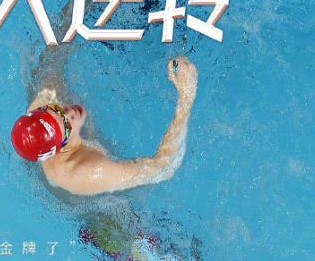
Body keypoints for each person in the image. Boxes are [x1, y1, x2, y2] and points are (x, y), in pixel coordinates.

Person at [11, 55, 197, 195]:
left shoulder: (42, 103)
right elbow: (163, 168)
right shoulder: (92, 171)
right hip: (93, 205)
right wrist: (186, 94)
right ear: (61, 146)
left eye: (57, 110)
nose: (69, 112)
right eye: (66, 126)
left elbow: (52, 57)